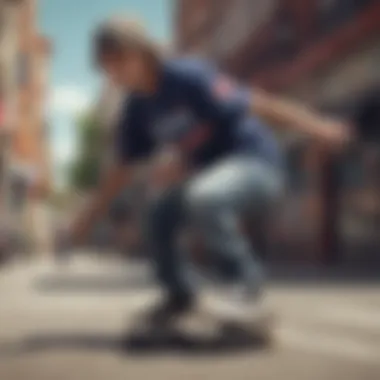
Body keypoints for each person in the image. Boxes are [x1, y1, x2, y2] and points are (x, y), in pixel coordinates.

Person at [69, 17, 350, 325]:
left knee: (204, 196)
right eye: (108, 67)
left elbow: (261, 104)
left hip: (258, 166)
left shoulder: (187, 76)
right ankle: (179, 296)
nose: (115, 74)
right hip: (212, 180)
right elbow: (119, 171)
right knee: (159, 214)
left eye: (120, 62)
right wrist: (86, 219)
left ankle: (245, 287)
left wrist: (318, 126)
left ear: (141, 52)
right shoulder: (137, 107)